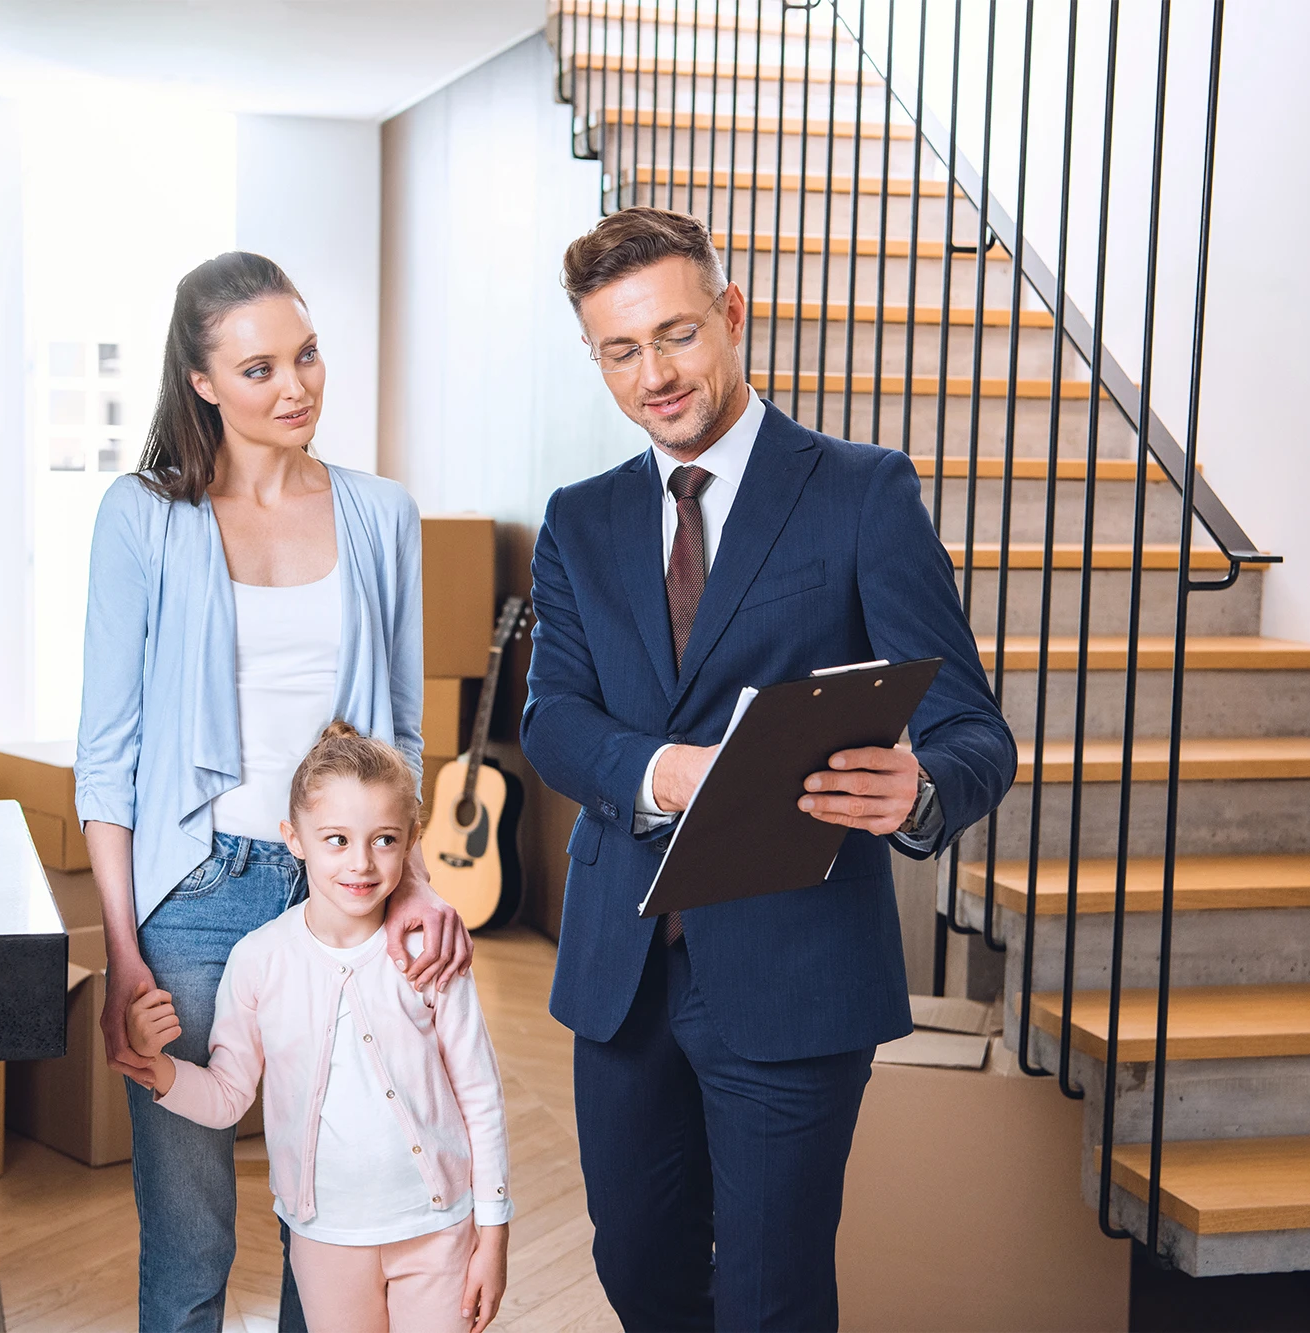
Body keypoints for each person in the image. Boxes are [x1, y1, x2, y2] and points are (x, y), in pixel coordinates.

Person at [519, 207, 1017, 1331]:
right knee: (638, 1271)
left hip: (793, 975)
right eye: (620, 350)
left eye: (677, 335)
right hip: (623, 975)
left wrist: (920, 790)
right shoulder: (578, 520)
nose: (655, 374)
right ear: (595, 357)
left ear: (730, 316)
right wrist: (662, 770)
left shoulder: (857, 492)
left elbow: (974, 729)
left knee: (767, 1298)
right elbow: (552, 719)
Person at [74, 252, 473, 1333]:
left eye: (306, 354)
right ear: (200, 381)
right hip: (191, 902)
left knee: (335, 1217)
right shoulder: (141, 517)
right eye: (258, 368)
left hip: (340, 896)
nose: (295, 385)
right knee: (191, 1235)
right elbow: (104, 757)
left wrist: (415, 884)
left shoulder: (381, 512)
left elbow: (397, 735)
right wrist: (123, 953)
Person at [125, 721, 513, 1333]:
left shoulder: (430, 954)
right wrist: (159, 1068)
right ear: (294, 839)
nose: (360, 863)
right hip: (326, 1240)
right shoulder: (258, 961)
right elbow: (229, 1096)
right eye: (336, 839)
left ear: (413, 839)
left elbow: (481, 1098)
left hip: (441, 1231)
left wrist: (493, 1232)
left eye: (384, 839)